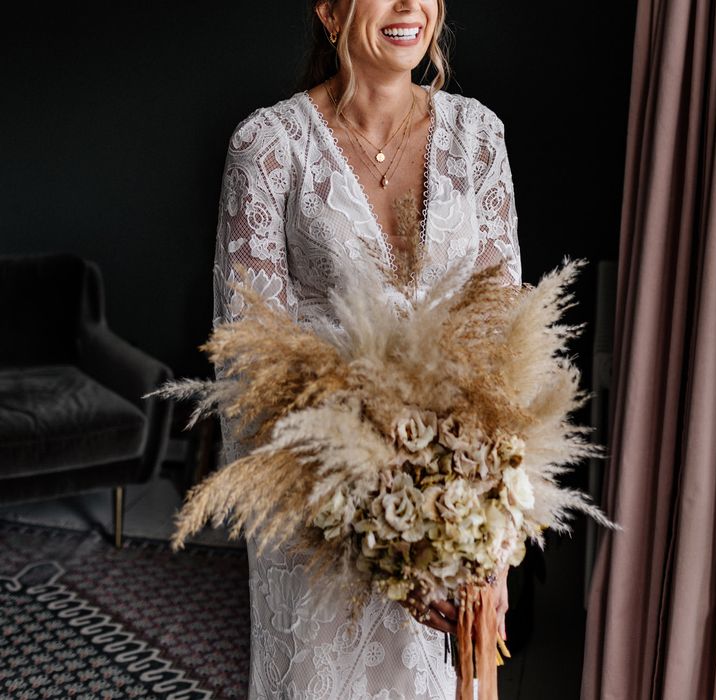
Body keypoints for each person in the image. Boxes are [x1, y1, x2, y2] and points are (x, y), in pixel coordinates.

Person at [212, 0, 522, 697]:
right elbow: (250, 365)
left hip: (455, 508)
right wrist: (378, 541)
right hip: (319, 509)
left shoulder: (478, 137)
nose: (411, 6)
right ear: (329, 9)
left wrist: (493, 546)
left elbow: (506, 350)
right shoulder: (268, 145)